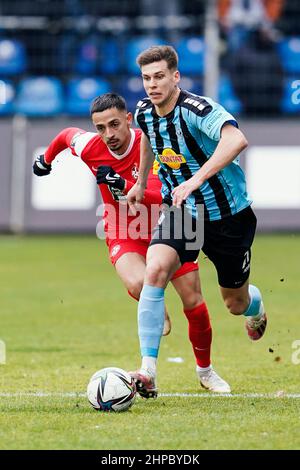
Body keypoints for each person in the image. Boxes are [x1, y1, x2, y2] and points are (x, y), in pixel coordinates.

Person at [32, 92, 231, 394]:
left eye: (114, 124)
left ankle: (205, 371)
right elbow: (65, 136)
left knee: (193, 300)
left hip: (168, 227)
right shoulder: (91, 147)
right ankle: (150, 351)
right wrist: (45, 161)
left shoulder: (150, 144)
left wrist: (123, 185)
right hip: (124, 229)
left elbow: (160, 194)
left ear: (128, 119)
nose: (108, 134)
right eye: (100, 128)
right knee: (141, 284)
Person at [127, 45, 267, 398]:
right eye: (146, 78)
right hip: (183, 213)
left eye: (159, 76)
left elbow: (237, 139)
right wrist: (142, 182)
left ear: (176, 76)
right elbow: (148, 139)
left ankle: (256, 304)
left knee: (234, 304)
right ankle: (147, 370)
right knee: (155, 272)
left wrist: (195, 179)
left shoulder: (197, 109)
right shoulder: (144, 110)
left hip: (228, 217)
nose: (152, 85)